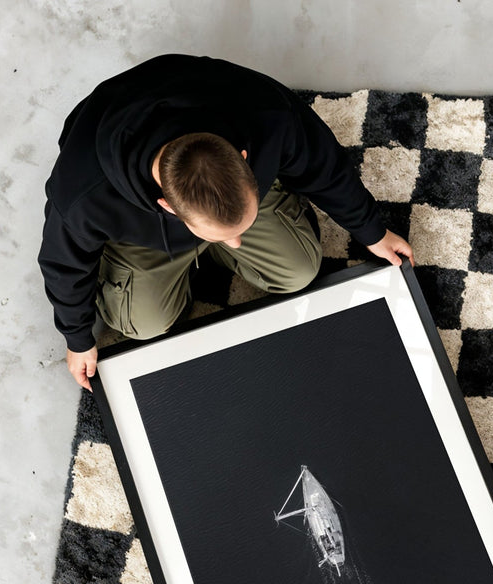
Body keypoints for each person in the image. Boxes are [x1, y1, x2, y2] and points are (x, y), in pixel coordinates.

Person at [38, 54, 415, 391]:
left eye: (239, 230)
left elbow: (326, 167)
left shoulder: (267, 112)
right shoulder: (83, 195)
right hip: (141, 237)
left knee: (299, 271)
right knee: (143, 325)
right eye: (224, 237)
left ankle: (231, 221)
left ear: (245, 158)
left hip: (220, 182)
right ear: (168, 207)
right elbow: (63, 264)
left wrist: (372, 230)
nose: (236, 243)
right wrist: (77, 338)